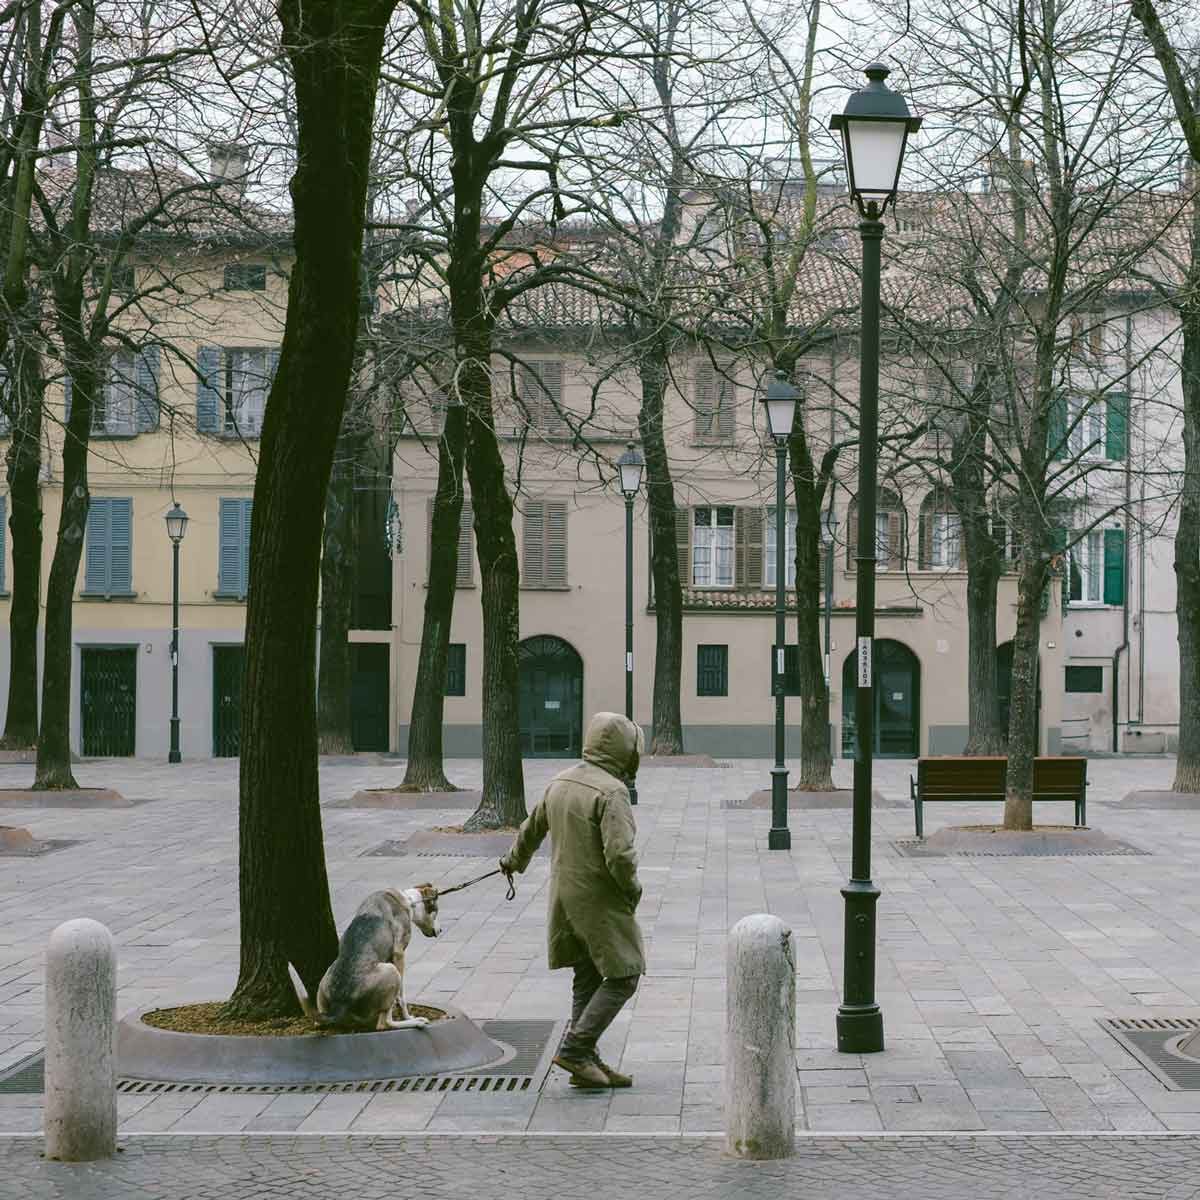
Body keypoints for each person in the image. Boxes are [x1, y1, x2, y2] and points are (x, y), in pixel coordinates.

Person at [500, 711, 645, 1089]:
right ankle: (577, 1048)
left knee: (587, 973)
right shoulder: (612, 793)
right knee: (625, 973)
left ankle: (586, 1062)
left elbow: (531, 830)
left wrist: (512, 861)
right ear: (624, 751)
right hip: (599, 898)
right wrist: (631, 891)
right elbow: (620, 856)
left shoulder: (560, 781)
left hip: (564, 895)